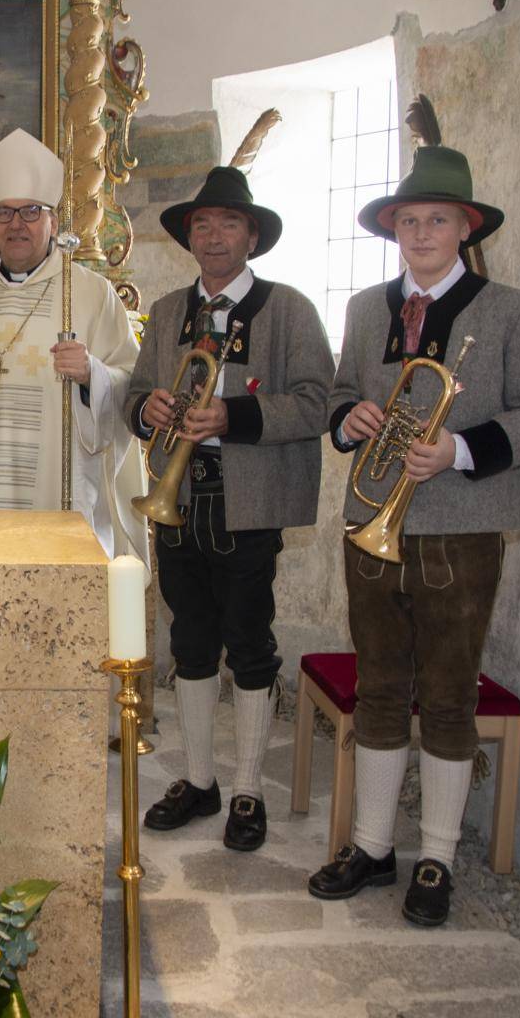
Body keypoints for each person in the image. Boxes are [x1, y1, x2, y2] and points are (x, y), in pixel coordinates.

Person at [307, 96, 520, 927]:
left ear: (465, 227)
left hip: (460, 531)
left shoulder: (513, 311)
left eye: (437, 219)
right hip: (371, 524)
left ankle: (438, 858)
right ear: (394, 229)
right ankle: (374, 847)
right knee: (380, 688)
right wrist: (348, 419)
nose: (420, 233)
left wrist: (457, 449)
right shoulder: (366, 308)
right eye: (408, 220)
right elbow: (341, 394)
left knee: (450, 696)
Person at [127, 136, 333, 853]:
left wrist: (232, 416)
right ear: (189, 236)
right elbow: (133, 393)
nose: (213, 236)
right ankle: (200, 780)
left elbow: (316, 402)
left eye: (229, 224)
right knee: (188, 643)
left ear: (252, 237)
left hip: (248, 505)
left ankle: (247, 788)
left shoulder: (289, 310)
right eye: (202, 224)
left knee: (248, 644)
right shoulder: (165, 313)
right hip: (179, 500)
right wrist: (147, 408)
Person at [0, 128, 142, 557]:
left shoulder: (90, 294)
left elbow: (132, 384)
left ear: (53, 221)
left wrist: (91, 376)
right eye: (3, 212)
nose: (16, 224)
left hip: (57, 493)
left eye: (31, 211)